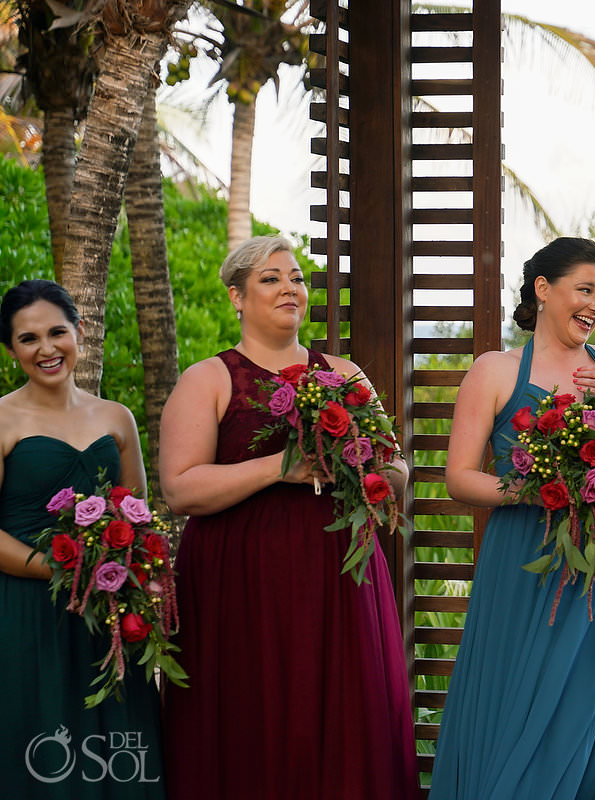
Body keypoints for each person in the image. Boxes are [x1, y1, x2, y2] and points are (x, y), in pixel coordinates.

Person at [158, 236, 418, 800]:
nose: (290, 288)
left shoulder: (345, 374)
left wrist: (360, 464)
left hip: (339, 576)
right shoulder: (210, 378)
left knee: (347, 702)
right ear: (236, 296)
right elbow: (180, 488)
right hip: (241, 580)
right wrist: (282, 466)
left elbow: (397, 469)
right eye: (271, 278)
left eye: (297, 277)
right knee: (254, 707)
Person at [428, 237, 595, 799]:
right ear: (543, 289)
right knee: (512, 712)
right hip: (522, 567)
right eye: (584, 289)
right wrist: (535, 490)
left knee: (581, 720)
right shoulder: (495, 371)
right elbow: (459, 476)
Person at [0, 280, 164, 797]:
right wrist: (70, 571)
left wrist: (129, 576)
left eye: (57, 332)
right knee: (38, 749)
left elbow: (138, 515)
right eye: (28, 339)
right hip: (26, 613)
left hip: (106, 617)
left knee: (116, 753)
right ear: (11, 350)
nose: (46, 349)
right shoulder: (1, 419)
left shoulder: (116, 418)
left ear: (80, 331)